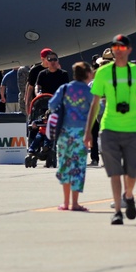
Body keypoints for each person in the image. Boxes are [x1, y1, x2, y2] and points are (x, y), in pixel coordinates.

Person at [84, 35, 136, 226]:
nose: (119, 50)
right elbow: (95, 103)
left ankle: (128, 195)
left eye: (122, 47)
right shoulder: (103, 73)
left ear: (129, 50)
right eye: (115, 47)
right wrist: (88, 131)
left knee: (132, 172)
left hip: (132, 128)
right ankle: (117, 212)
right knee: (114, 172)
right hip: (108, 128)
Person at [49, 62, 93, 211]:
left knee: (65, 165)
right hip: (81, 132)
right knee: (78, 166)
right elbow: (97, 110)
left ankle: (66, 202)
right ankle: (75, 203)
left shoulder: (65, 88)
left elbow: (52, 104)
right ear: (87, 74)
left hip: (64, 132)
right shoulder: (88, 91)